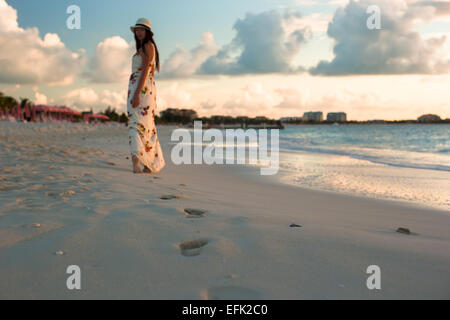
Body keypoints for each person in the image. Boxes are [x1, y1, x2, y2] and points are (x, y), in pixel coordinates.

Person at [127, 18, 166, 174]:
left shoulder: (148, 46)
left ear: (148, 32)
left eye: (141, 30)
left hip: (141, 89)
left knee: (136, 125)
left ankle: (137, 164)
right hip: (141, 88)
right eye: (137, 30)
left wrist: (137, 93)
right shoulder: (145, 47)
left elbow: (145, 71)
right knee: (145, 126)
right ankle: (148, 164)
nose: (138, 33)